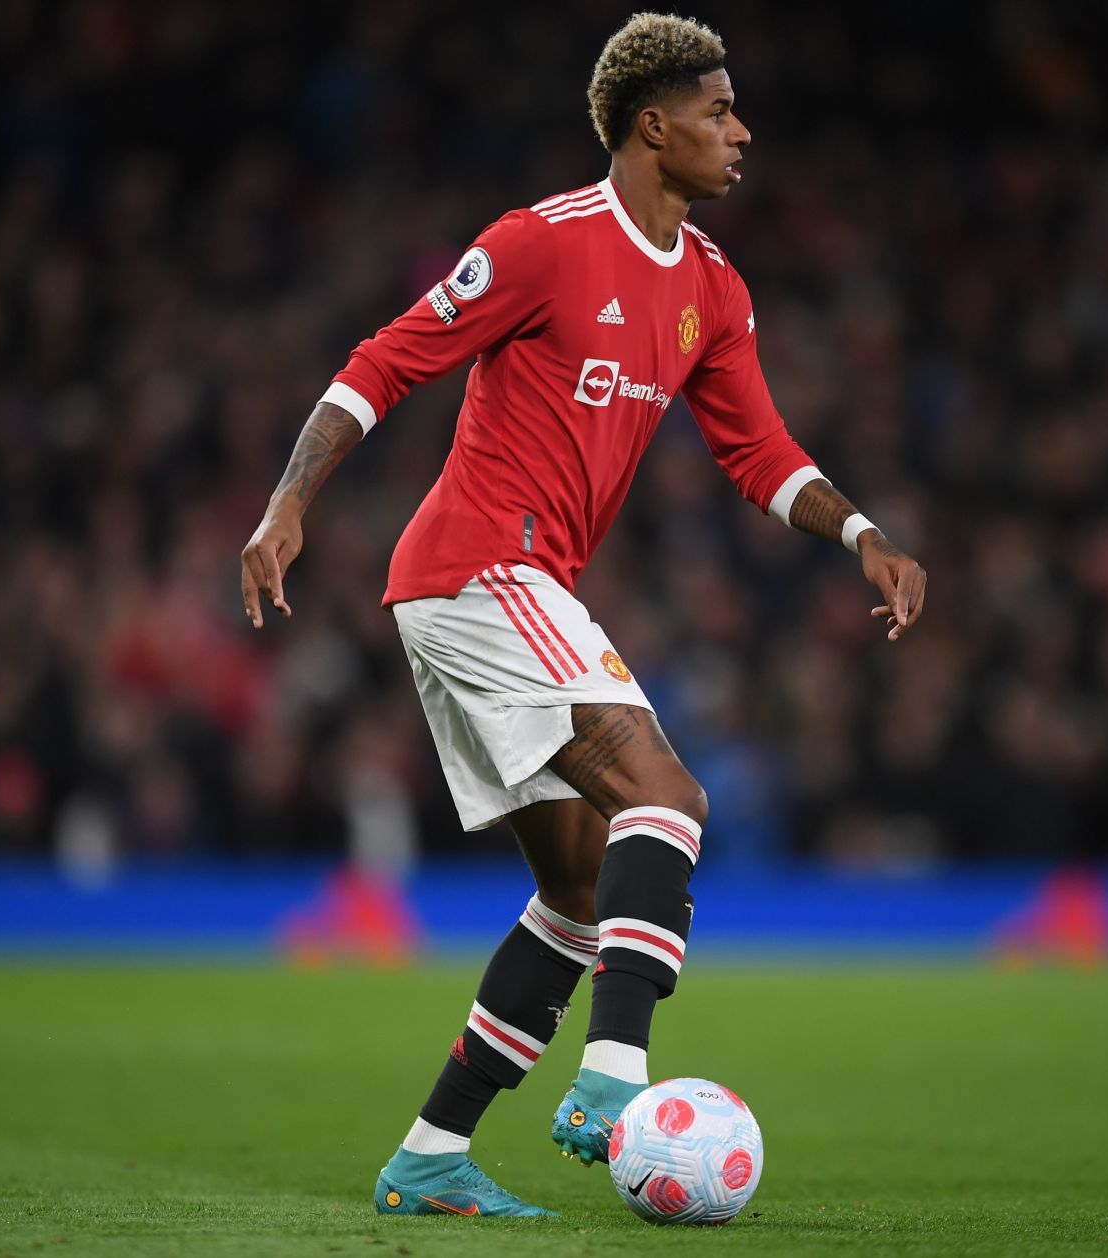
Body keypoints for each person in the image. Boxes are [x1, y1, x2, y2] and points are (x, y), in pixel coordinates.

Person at [239, 12, 925, 1218]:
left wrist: (862, 531)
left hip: (502, 587)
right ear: (653, 126)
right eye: (719, 110)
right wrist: (288, 503)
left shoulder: (712, 285)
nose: (740, 130)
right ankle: (614, 1082)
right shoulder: (541, 243)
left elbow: (758, 451)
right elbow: (385, 359)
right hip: (476, 567)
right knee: (672, 796)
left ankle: (431, 1153)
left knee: (579, 888)